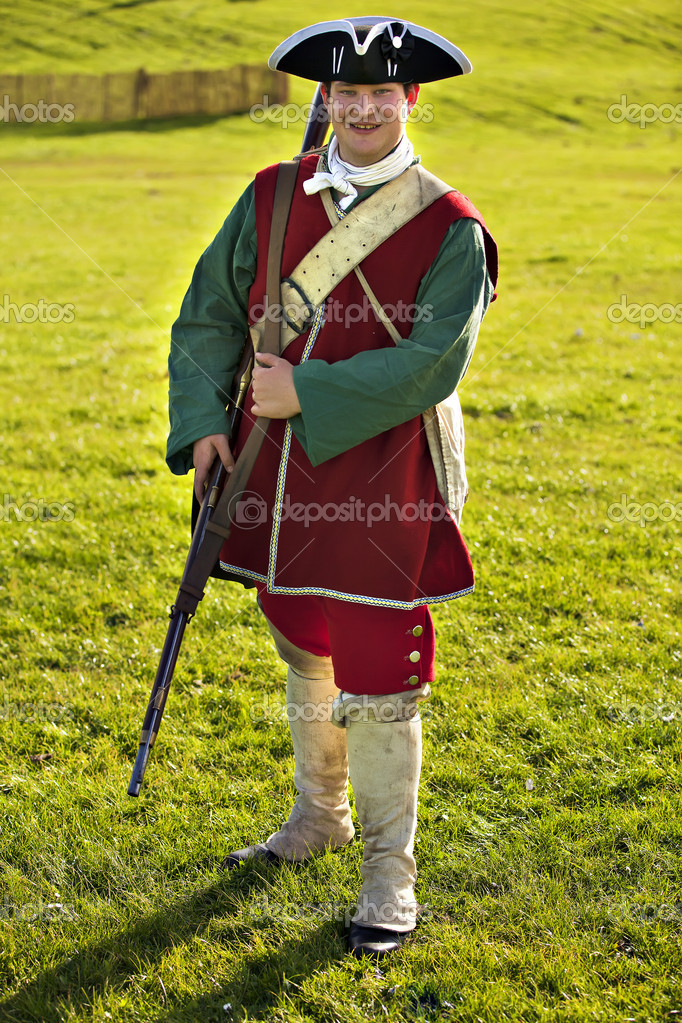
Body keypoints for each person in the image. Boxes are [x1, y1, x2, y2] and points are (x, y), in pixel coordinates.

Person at [166, 17, 498, 960]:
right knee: (301, 630)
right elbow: (209, 314)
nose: (360, 108)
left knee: (379, 664)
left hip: (384, 475)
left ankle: (391, 872)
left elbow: (436, 360)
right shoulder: (269, 196)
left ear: (409, 102)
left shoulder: (451, 226)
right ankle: (322, 816)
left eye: (379, 96)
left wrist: (304, 387)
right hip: (271, 470)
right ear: (328, 101)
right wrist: (201, 427)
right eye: (345, 95)